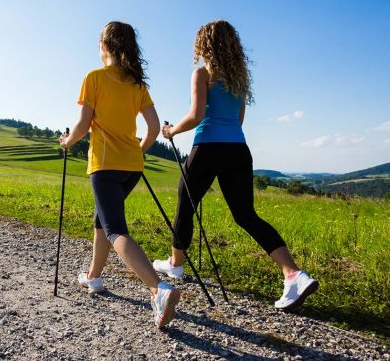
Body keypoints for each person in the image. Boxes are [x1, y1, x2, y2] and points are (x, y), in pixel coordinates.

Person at [153, 20, 318, 311]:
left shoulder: (202, 73)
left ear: (204, 45)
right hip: (238, 150)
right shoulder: (239, 78)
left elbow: (195, 115)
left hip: (207, 147)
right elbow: (239, 120)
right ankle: (293, 274)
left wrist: (171, 132)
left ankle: (176, 265)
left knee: (184, 205)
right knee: (246, 215)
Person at [59, 21, 181, 328]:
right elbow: (153, 129)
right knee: (101, 220)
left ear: (106, 46)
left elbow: (83, 124)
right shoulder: (138, 85)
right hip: (132, 166)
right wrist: (138, 150)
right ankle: (93, 277)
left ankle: (159, 289)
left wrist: (67, 141)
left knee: (115, 229)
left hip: (104, 165)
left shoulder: (94, 78)